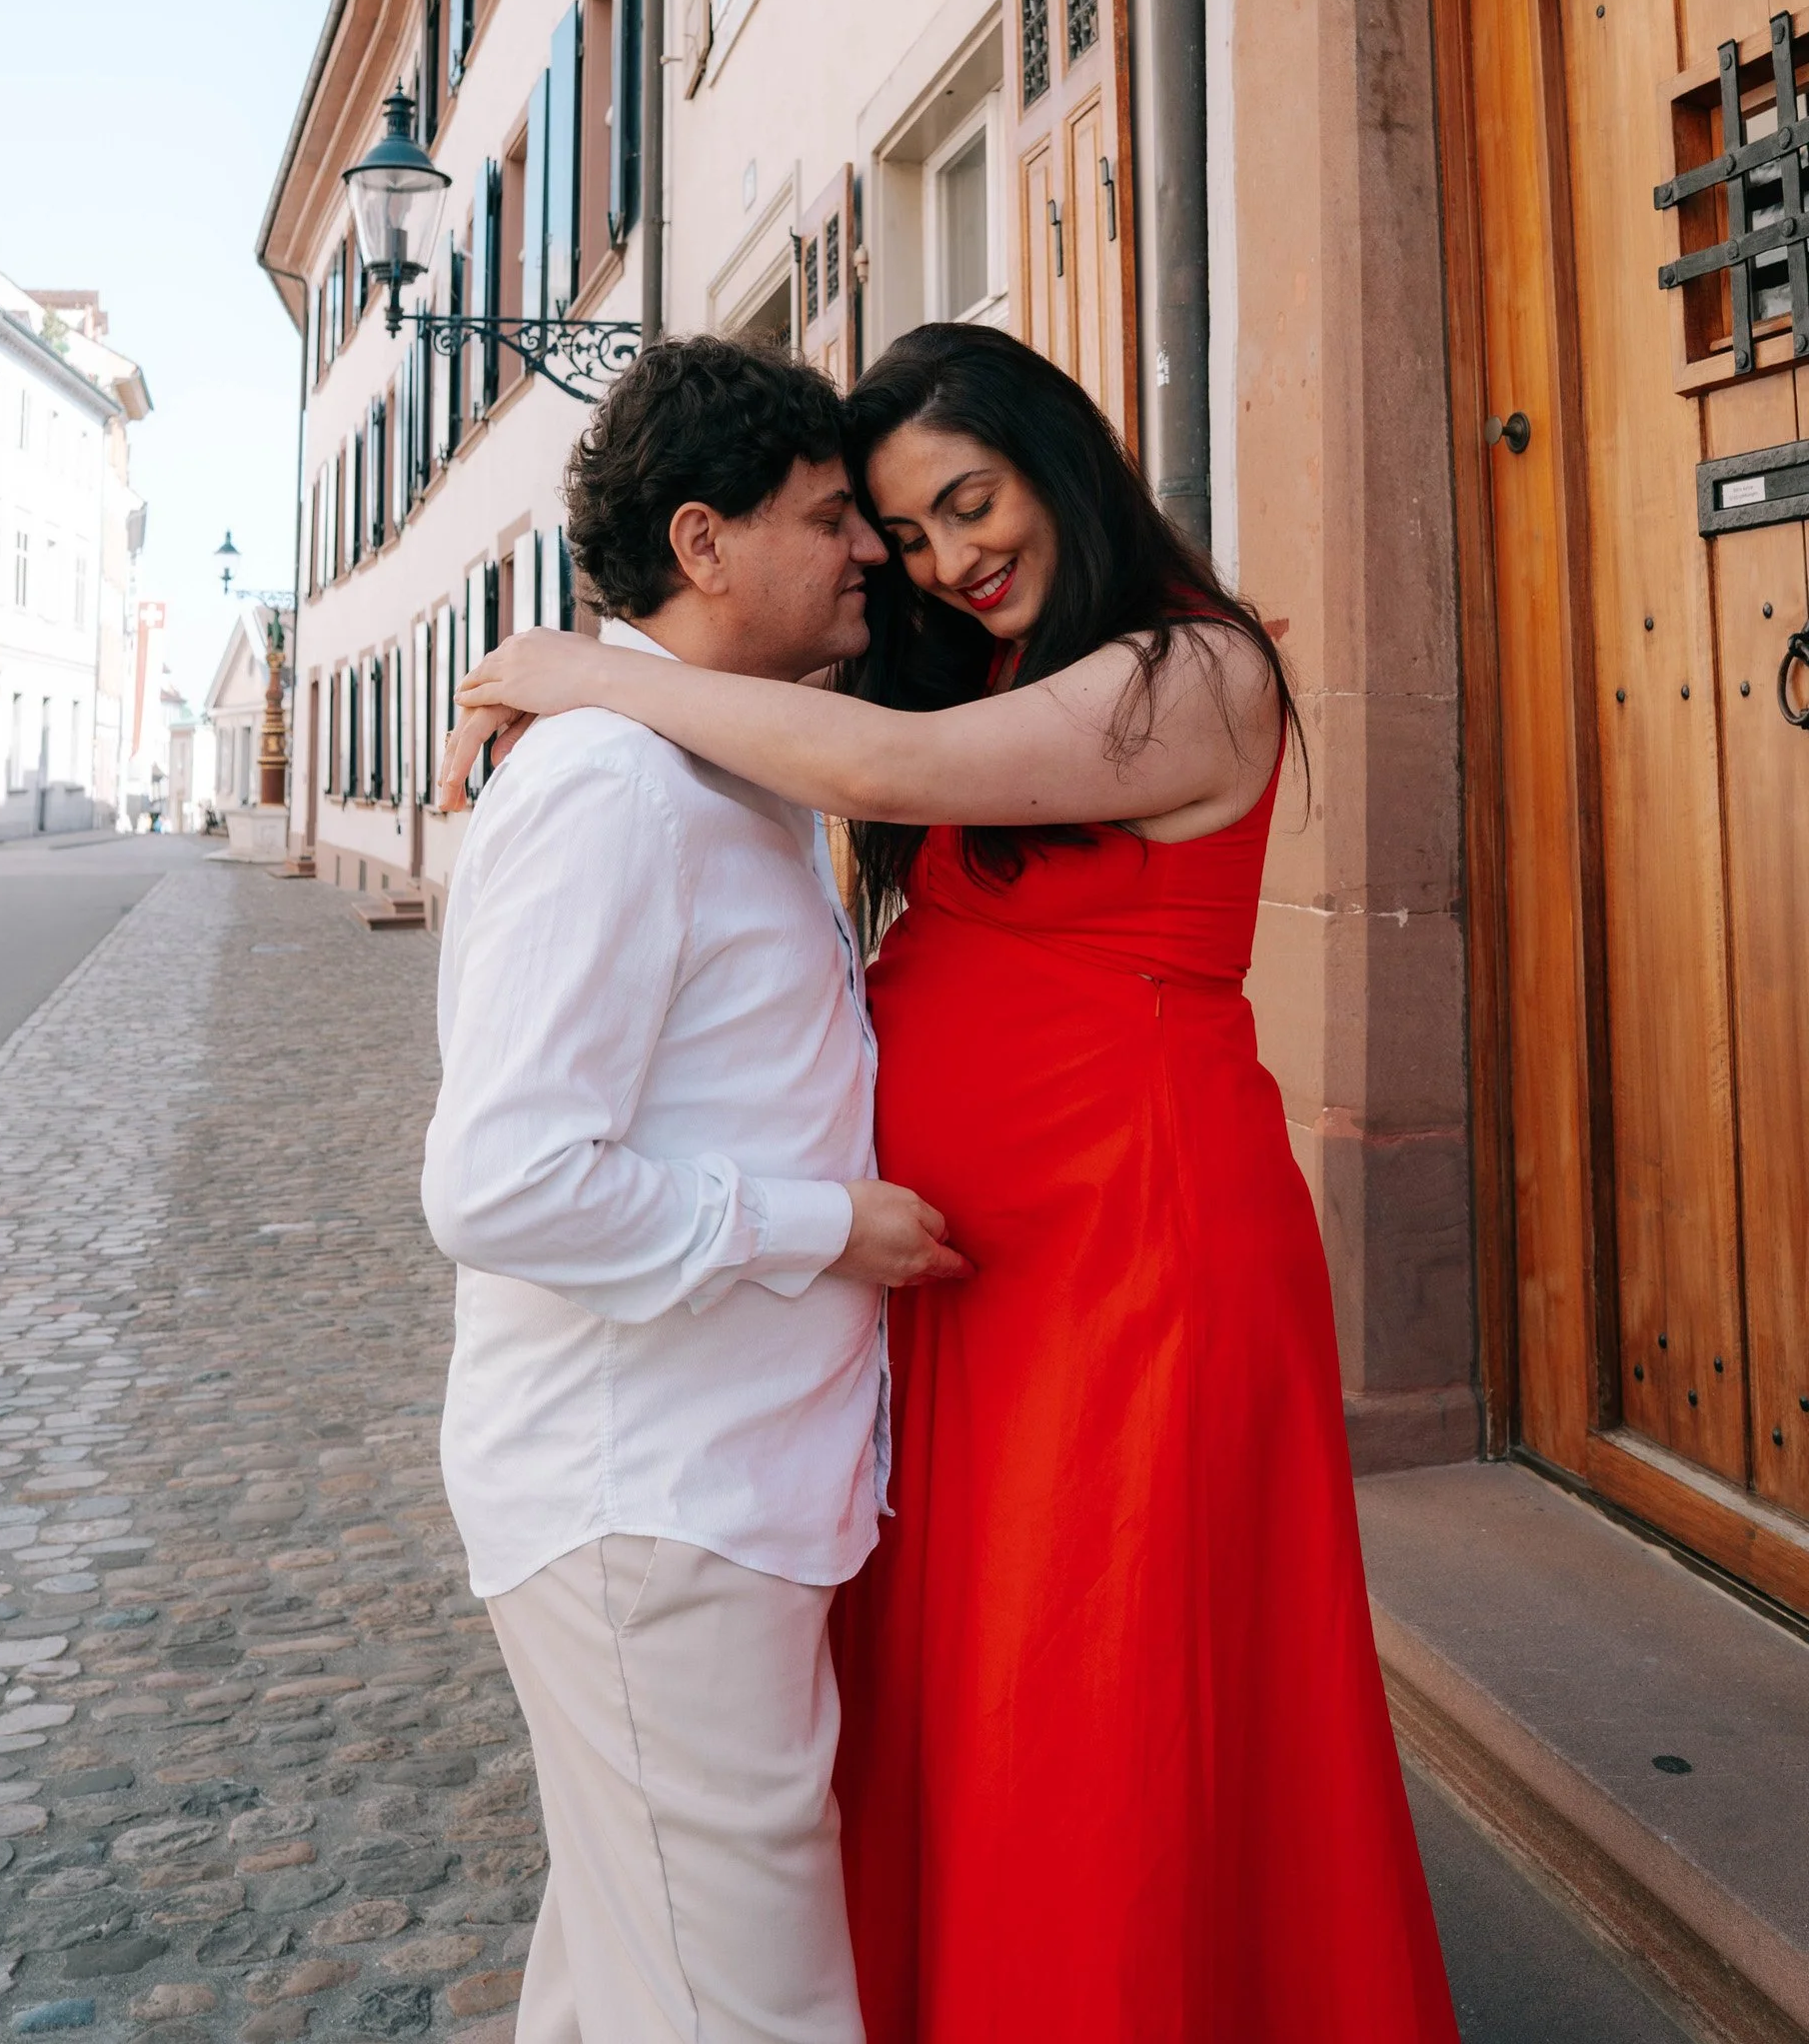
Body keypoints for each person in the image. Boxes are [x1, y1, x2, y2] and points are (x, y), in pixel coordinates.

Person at [448, 321, 1459, 2044]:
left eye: (968, 502)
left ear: (1058, 459)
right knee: (996, 1703)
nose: (941, 559)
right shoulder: (960, 677)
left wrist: (593, 667)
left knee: (1116, 1694)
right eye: (900, 532)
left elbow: (878, 779)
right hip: (963, 1293)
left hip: (1132, 1253)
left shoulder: (1189, 672)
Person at [420, 335, 967, 2044]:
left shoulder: (722, 765)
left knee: (623, 1979)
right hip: (646, 1501)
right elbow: (502, 1186)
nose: (874, 551)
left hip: (708, 1488)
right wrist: (827, 1226)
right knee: (753, 2010)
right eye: (831, 519)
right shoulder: (613, 794)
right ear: (705, 540)